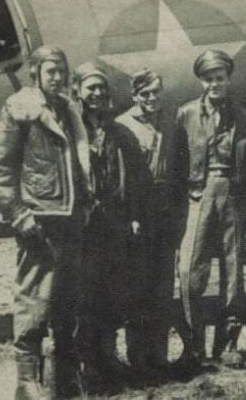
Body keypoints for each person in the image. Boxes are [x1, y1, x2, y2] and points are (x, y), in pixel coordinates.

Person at [0, 45, 92, 399]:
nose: (57, 78)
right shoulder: (20, 110)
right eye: (50, 72)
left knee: (67, 300)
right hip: (39, 222)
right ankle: (26, 382)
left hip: (71, 219)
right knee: (34, 302)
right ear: (36, 74)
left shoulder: (68, 111)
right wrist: (19, 214)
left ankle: (64, 377)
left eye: (61, 71)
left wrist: (85, 205)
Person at [173, 50, 246, 369]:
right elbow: (178, 161)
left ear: (228, 79)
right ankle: (193, 346)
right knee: (190, 271)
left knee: (233, 273)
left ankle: (227, 343)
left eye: (220, 78)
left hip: (231, 194)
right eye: (208, 79)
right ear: (200, 81)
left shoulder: (244, 116)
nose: (215, 84)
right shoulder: (186, 114)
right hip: (199, 195)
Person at [73, 62, 145, 391]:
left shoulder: (119, 133)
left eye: (102, 88)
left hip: (113, 223)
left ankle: (108, 355)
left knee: (113, 292)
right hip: (84, 225)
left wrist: (132, 215)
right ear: (78, 92)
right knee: (85, 294)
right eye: (90, 88)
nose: (97, 94)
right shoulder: (70, 131)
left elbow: (135, 178)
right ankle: (87, 364)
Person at [115, 69, 179, 376]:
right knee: (137, 287)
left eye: (156, 92)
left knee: (163, 285)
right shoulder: (123, 126)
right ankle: (138, 358)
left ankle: (159, 357)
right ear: (134, 96)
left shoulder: (169, 120)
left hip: (165, 213)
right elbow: (124, 178)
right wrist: (133, 216)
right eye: (145, 94)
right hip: (139, 214)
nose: (152, 98)